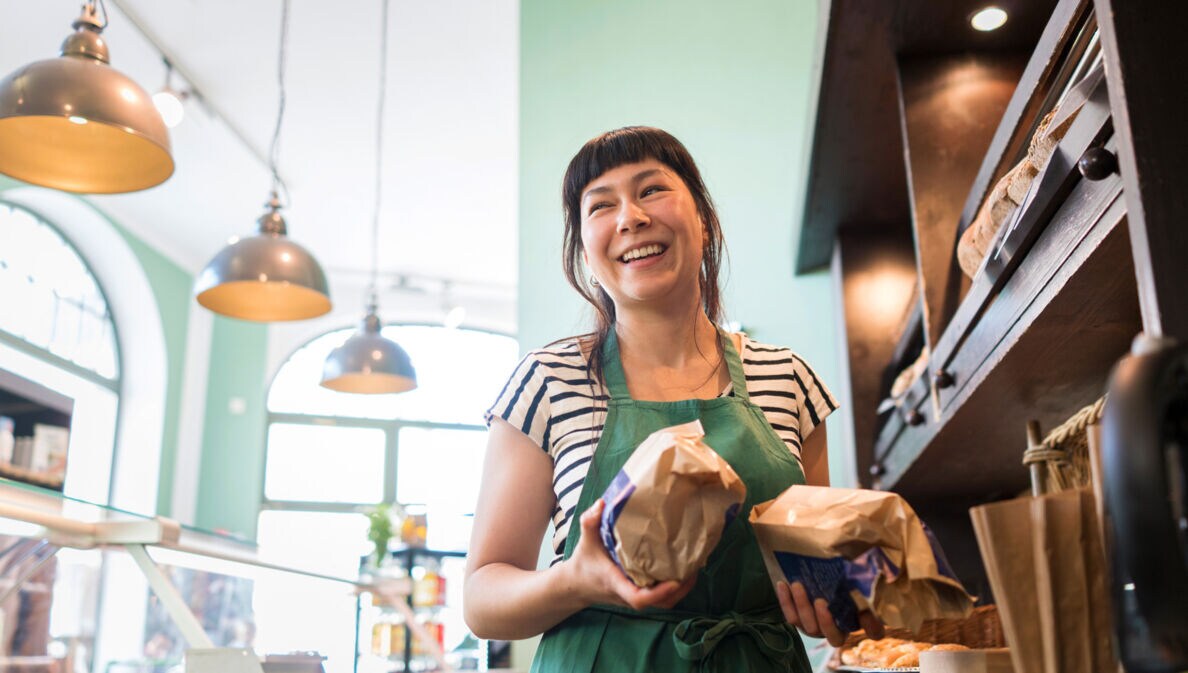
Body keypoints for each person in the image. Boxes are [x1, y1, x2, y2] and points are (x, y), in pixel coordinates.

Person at [464, 126, 883, 672]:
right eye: (601, 205)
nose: (630, 217)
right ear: (584, 250)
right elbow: (481, 601)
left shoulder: (787, 378)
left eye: (652, 190)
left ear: (704, 220)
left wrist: (837, 603)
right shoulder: (548, 380)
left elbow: (816, 570)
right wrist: (574, 581)